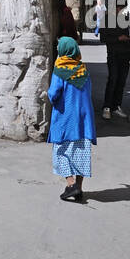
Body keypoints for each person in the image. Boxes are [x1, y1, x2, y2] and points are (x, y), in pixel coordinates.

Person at [47, 36, 97, 204]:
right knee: (81, 153)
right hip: (83, 119)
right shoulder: (83, 69)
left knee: (61, 151)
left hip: (65, 118)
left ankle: (71, 184)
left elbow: (54, 94)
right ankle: (79, 189)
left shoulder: (59, 70)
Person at [99, 6, 130, 120]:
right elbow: (103, 38)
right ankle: (107, 106)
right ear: (117, 8)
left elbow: (128, 39)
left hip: (125, 55)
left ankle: (116, 106)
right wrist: (118, 38)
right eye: (121, 8)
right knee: (113, 79)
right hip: (113, 55)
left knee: (121, 82)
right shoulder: (106, 20)